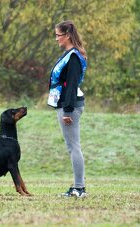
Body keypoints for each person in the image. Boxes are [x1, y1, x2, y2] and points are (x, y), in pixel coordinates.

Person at [48, 20, 87, 198]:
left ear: (68, 35)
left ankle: (79, 188)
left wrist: (68, 111)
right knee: (72, 146)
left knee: (73, 147)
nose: (56, 39)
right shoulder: (69, 54)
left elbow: (71, 85)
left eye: (58, 35)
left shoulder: (73, 57)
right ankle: (78, 187)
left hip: (69, 105)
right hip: (65, 104)